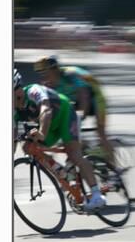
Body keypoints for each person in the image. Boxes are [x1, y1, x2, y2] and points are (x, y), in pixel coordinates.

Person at [13, 69, 106, 211]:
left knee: (74, 154)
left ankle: (96, 194)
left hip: (65, 115)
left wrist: (42, 133)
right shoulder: (12, 110)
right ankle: (61, 174)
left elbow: (46, 110)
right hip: (50, 127)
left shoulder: (33, 91)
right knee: (28, 148)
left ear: (18, 90)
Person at [33, 56, 114, 164]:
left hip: (95, 97)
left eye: (45, 72)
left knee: (100, 132)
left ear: (54, 69)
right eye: (41, 73)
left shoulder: (69, 75)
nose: (44, 76)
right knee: (72, 132)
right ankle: (88, 153)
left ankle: (114, 167)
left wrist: (81, 115)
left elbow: (83, 94)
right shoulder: (49, 85)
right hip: (76, 101)